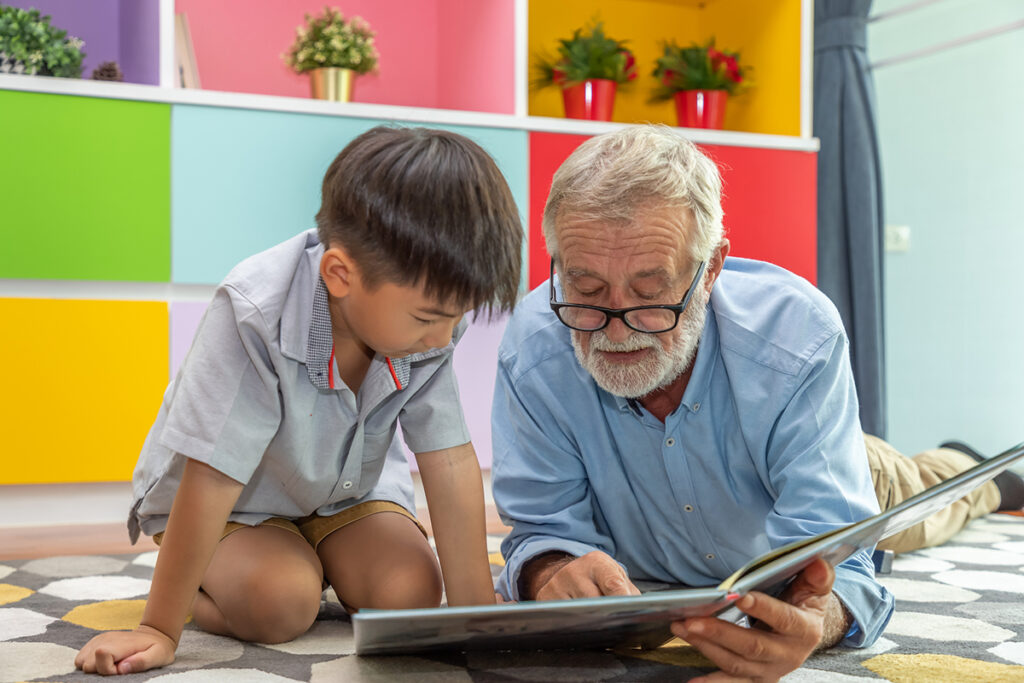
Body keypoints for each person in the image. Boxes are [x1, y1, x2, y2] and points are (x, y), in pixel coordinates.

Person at [489, 124, 1020, 681]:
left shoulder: (797, 340)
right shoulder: (534, 350)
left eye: (649, 294)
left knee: (926, 501)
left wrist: (819, 614)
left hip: (851, 469)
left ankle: (971, 470)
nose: (617, 332)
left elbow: (845, 563)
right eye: (589, 290)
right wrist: (552, 570)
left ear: (712, 268)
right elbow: (540, 530)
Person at [75, 126, 523, 676]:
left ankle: (316, 559)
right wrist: (159, 628)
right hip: (235, 502)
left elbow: (448, 458)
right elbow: (212, 475)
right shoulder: (254, 312)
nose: (444, 337)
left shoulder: (425, 323)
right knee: (280, 604)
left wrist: (474, 611)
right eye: (430, 319)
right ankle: (199, 581)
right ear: (340, 275)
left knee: (411, 596)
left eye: (458, 317)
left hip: (343, 493)